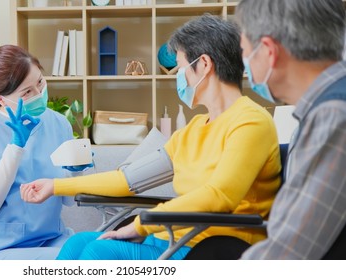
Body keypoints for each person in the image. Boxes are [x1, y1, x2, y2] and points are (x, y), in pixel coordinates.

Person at [20, 14, 282, 260]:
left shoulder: (250, 121)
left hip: (214, 247)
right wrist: (55, 186)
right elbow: (127, 180)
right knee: (77, 244)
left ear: (203, 64)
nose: (178, 78)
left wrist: (141, 224)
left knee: (98, 254)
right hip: (172, 237)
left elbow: (219, 196)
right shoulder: (193, 130)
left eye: (180, 67)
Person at [234, 0, 346, 259]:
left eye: (245, 51)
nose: (245, 63)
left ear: (269, 52)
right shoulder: (323, 110)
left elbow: (286, 254)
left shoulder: (333, 115)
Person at [0, 45, 77, 260]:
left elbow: (70, 201)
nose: (39, 94)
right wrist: (16, 147)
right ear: (1, 99)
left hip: (50, 239)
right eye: (27, 92)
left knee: (95, 252)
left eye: (40, 82)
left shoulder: (59, 123)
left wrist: (77, 172)